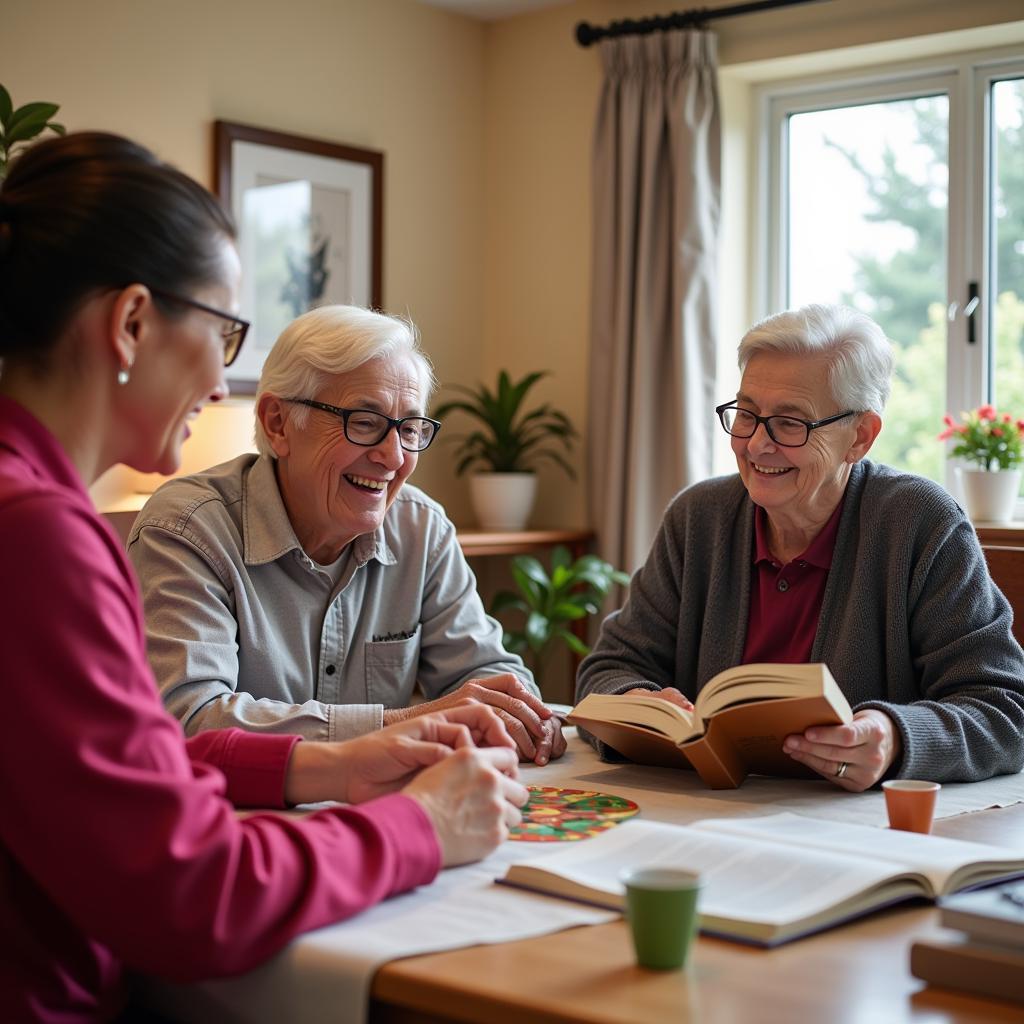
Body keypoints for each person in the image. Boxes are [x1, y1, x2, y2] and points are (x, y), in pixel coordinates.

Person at [0, 131, 528, 1022]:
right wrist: (420, 826)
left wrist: (339, 767)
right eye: (222, 331)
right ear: (131, 323)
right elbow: (193, 897)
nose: (219, 381)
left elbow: (151, 763)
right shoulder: (39, 536)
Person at [576, 303, 1024, 792]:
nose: (756, 444)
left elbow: (1003, 709)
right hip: (704, 813)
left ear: (860, 436)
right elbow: (609, 667)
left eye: (791, 423)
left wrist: (895, 737)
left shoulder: (920, 523)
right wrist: (640, 703)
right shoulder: (698, 517)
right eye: (746, 414)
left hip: (855, 832)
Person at [126, 304, 566, 765]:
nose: (393, 457)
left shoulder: (421, 530)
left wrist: (521, 714)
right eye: (364, 422)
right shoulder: (188, 529)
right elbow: (189, 720)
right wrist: (401, 727)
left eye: (410, 428)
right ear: (278, 424)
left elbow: (483, 672)